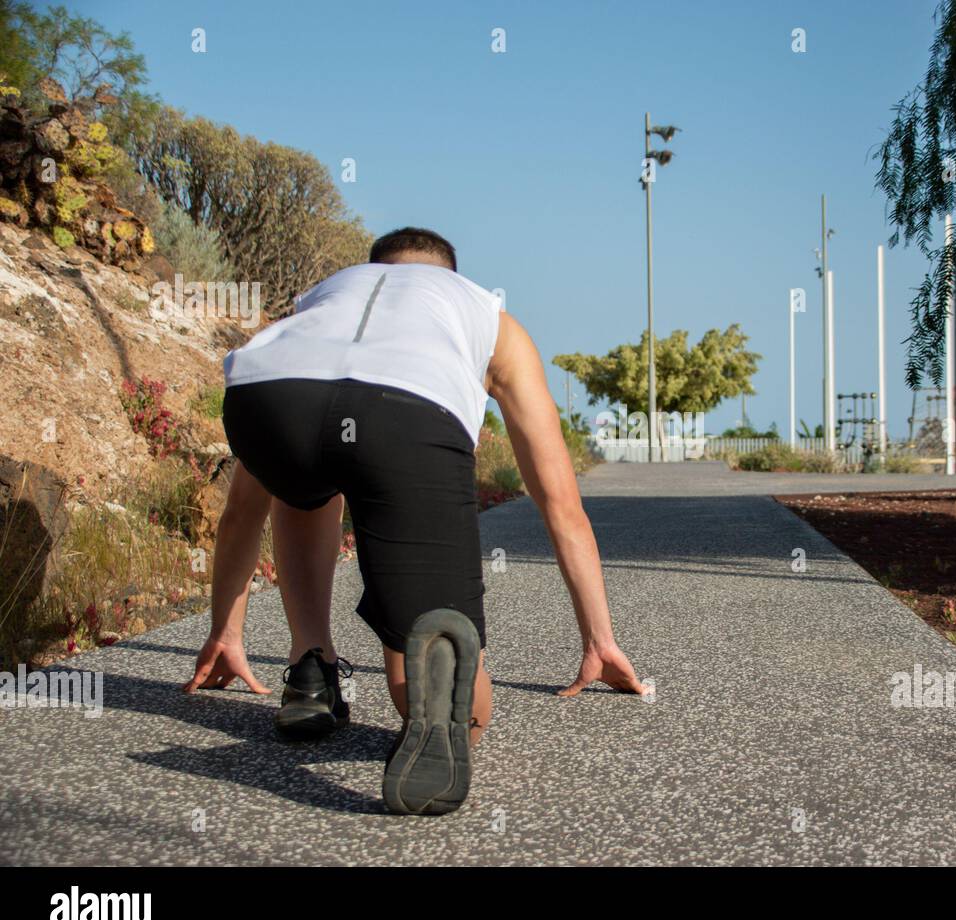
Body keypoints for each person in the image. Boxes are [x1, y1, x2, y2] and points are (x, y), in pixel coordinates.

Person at [182, 227, 643, 815]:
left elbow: (242, 512)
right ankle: (432, 710)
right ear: (449, 276)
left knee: (302, 479)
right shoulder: (488, 315)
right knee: (459, 702)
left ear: (375, 269)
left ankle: (311, 672)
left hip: (268, 400)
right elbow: (560, 504)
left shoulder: (323, 300)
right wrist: (599, 640)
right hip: (404, 414)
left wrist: (225, 631)